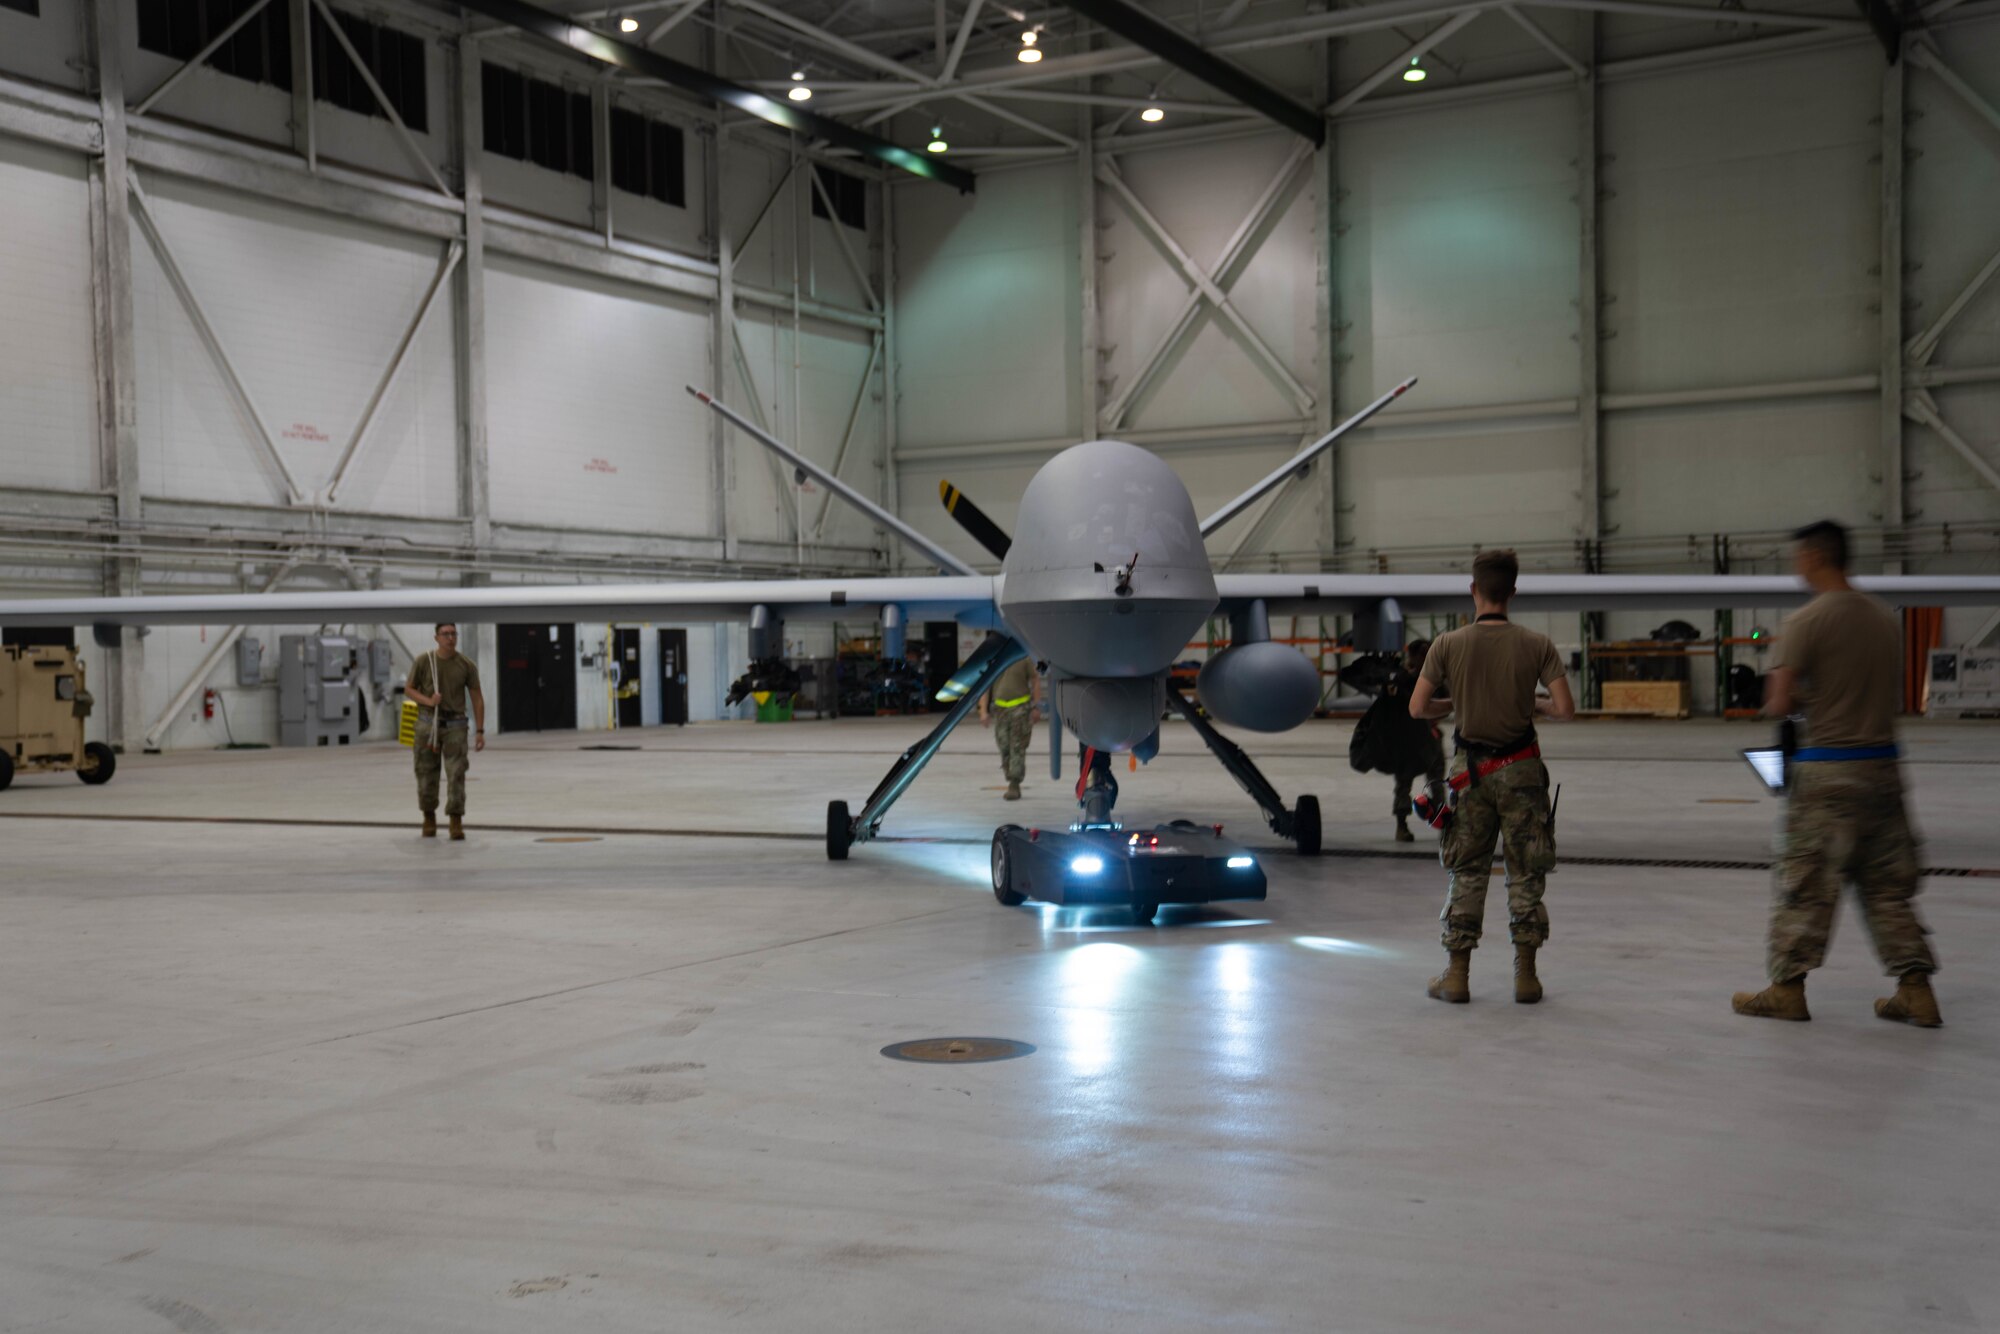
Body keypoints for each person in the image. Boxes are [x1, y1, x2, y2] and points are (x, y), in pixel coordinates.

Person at [1732, 520, 1942, 1026]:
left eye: (1798, 558)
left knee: (1805, 885)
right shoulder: (1883, 618)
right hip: (1884, 769)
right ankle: (1915, 990)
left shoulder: (1806, 621)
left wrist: (1799, 694)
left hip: (1829, 772)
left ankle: (1787, 988)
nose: (1796, 567)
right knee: (1887, 887)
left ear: (1814, 557)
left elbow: (1778, 703)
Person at [1408, 550, 1576, 1004]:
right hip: (1522, 770)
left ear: (1473, 590)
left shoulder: (1448, 644)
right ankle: (1526, 977)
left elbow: (1418, 707)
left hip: (1471, 776)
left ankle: (1457, 976)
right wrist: (1532, 705)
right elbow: (1564, 708)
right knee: (1526, 871)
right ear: (1513, 593)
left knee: (1467, 870)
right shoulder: (1538, 644)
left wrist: (1455, 704)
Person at [405, 622, 486, 840]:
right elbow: (409, 689)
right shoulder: (424, 661)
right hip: (427, 725)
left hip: (455, 726)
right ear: (436, 637)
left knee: (456, 774)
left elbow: (477, 697)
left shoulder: (466, 665)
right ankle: (428, 817)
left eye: (453, 634)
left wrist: (480, 730)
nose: (450, 638)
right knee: (425, 773)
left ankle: (455, 820)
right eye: (445, 634)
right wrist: (429, 701)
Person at [979, 653, 1042, 801]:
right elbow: (986, 685)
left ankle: (1014, 783)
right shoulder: (993, 659)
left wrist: (1036, 706)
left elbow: (1035, 679)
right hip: (1000, 710)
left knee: (1017, 747)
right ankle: (1010, 776)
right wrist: (983, 710)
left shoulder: (1023, 657)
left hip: (1020, 708)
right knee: (1004, 746)